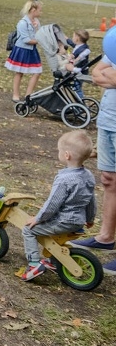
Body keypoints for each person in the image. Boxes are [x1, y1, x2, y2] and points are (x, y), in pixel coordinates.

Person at [19, 130, 96, 281]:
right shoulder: (88, 176)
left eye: (59, 151)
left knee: (28, 230)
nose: (58, 153)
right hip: (78, 221)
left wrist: (38, 218)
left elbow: (52, 204)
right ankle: (55, 260)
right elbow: (91, 199)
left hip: (64, 221)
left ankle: (34, 263)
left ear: (67, 155)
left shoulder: (64, 179)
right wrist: (90, 217)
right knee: (51, 234)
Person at [72, 52, 116, 275]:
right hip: (108, 121)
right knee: (109, 180)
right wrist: (108, 74)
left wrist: (109, 75)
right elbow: (97, 74)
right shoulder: (114, 42)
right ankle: (106, 238)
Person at [5, 0, 42, 103]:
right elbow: (26, 40)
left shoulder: (36, 22)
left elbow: (39, 34)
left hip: (32, 50)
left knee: (37, 72)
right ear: (33, 10)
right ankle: (15, 95)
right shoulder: (22, 23)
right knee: (19, 72)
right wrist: (40, 41)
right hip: (22, 50)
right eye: (40, 10)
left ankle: (28, 95)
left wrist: (37, 29)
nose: (41, 13)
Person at [65, 29, 91, 99]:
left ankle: (80, 103)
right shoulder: (81, 45)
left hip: (80, 71)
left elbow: (76, 55)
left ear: (77, 38)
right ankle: (78, 102)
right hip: (80, 69)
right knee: (76, 86)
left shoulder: (82, 49)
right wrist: (66, 39)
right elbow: (72, 44)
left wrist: (69, 58)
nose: (72, 38)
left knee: (77, 88)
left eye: (73, 36)